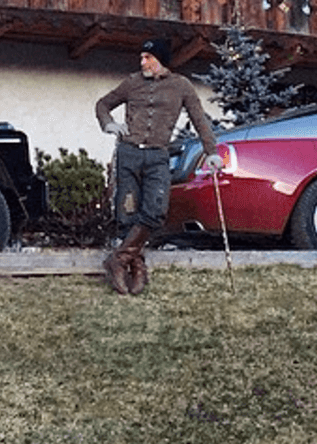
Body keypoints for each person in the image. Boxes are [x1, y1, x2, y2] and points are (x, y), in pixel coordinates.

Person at [95, 37, 222, 295]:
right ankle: (137, 267)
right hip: (129, 154)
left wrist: (212, 152)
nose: (142, 62)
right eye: (141, 57)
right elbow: (103, 105)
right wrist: (109, 124)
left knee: (156, 210)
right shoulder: (132, 83)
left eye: (147, 57)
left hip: (157, 157)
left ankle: (118, 260)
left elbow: (200, 120)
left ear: (160, 60)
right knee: (127, 213)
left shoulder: (181, 86)